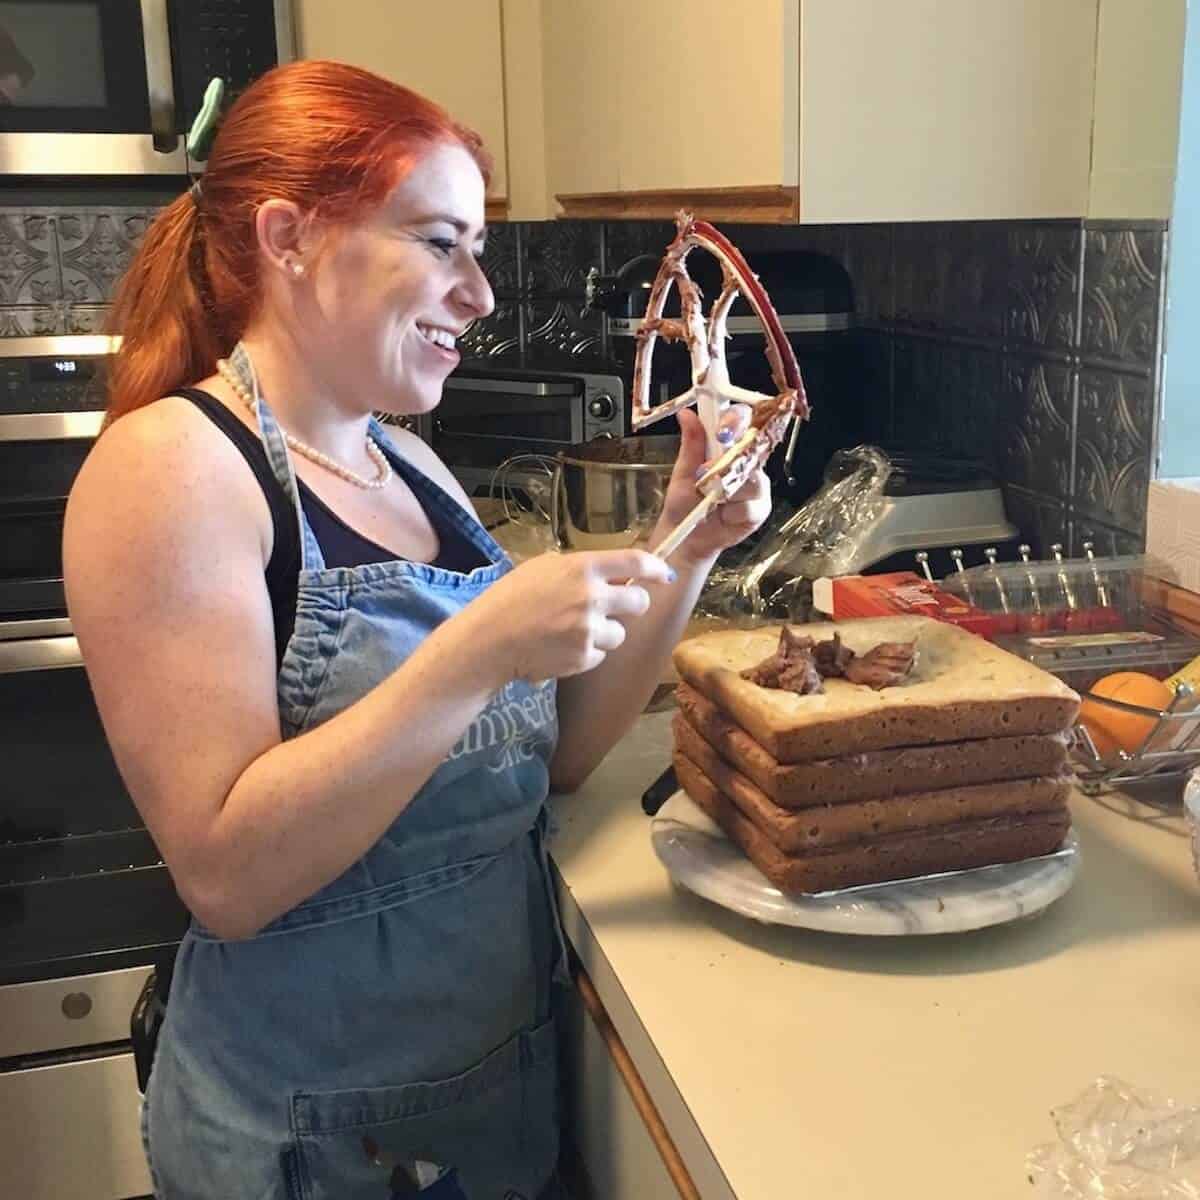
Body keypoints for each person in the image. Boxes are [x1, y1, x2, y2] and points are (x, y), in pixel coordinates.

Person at [63, 61, 771, 1200]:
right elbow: (228, 873)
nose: (482, 294)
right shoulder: (174, 472)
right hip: (315, 1148)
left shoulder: (405, 460)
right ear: (289, 236)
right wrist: (479, 645)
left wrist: (687, 538)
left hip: (484, 1105)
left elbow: (551, 756)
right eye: (442, 243)